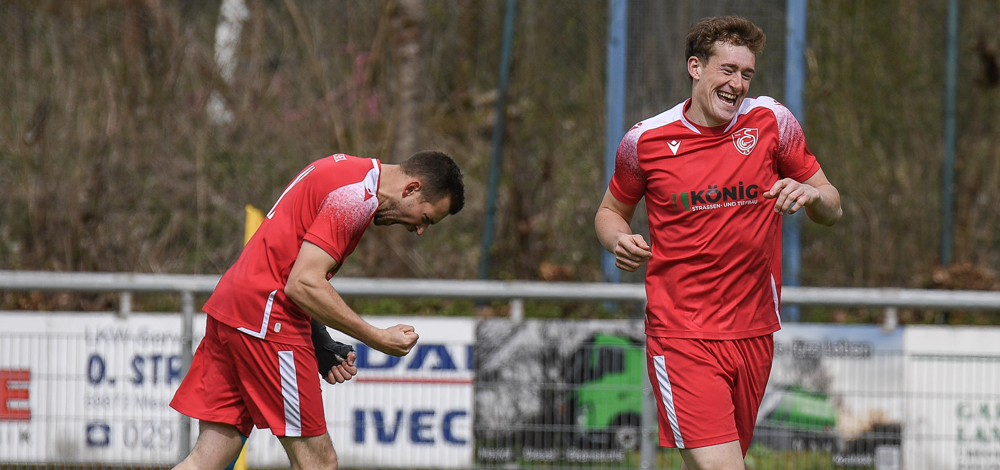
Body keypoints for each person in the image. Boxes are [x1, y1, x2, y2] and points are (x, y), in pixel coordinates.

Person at [595, 16, 842, 470]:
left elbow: (832, 205)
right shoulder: (645, 141)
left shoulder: (773, 121)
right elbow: (610, 212)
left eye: (747, 74)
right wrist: (619, 240)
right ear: (695, 67)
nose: (737, 84)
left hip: (754, 332)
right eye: (727, 70)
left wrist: (811, 195)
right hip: (681, 333)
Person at [170, 150, 465, 470]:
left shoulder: (344, 168)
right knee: (318, 463)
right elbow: (303, 283)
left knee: (207, 460)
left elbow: (286, 260)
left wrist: (319, 339)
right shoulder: (356, 198)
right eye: (426, 218)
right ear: (411, 189)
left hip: (232, 309)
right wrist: (376, 337)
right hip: (268, 321)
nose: (420, 230)